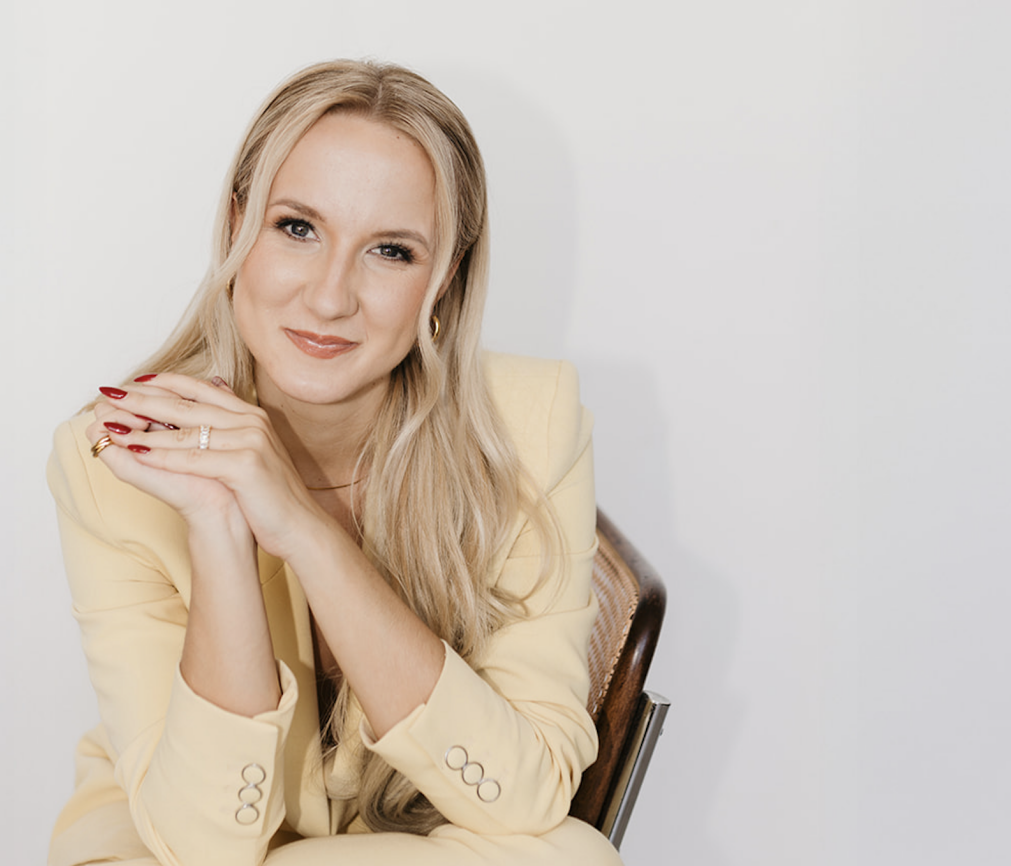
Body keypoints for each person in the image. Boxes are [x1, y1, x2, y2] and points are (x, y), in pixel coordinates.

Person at [45, 59, 618, 866]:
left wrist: (306, 533)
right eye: (297, 228)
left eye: (391, 250)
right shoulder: (116, 462)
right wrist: (218, 525)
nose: (328, 297)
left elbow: (526, 796)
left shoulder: (529, 425)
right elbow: (202, 846)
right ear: (237, 229)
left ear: (443, 280)